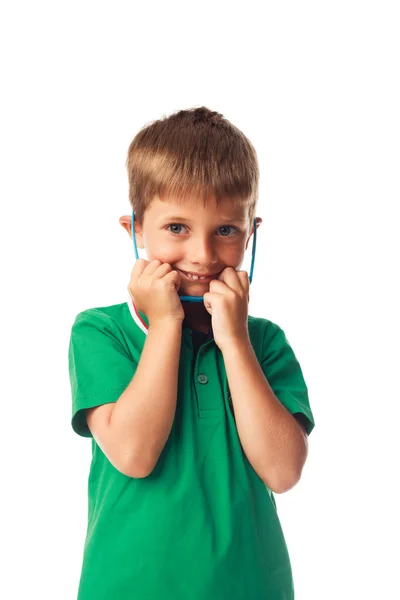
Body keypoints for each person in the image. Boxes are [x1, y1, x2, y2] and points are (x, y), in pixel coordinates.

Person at [68, 106, 315, 600]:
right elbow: (134, 455)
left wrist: (236, 341)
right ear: (135, 229)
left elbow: (284, 471)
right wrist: (165, 326)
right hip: (127, 586)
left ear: (251, 231)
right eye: (177, 228)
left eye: (225, 230)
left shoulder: (264, 341)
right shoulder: (100, 331)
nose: (202, 254)